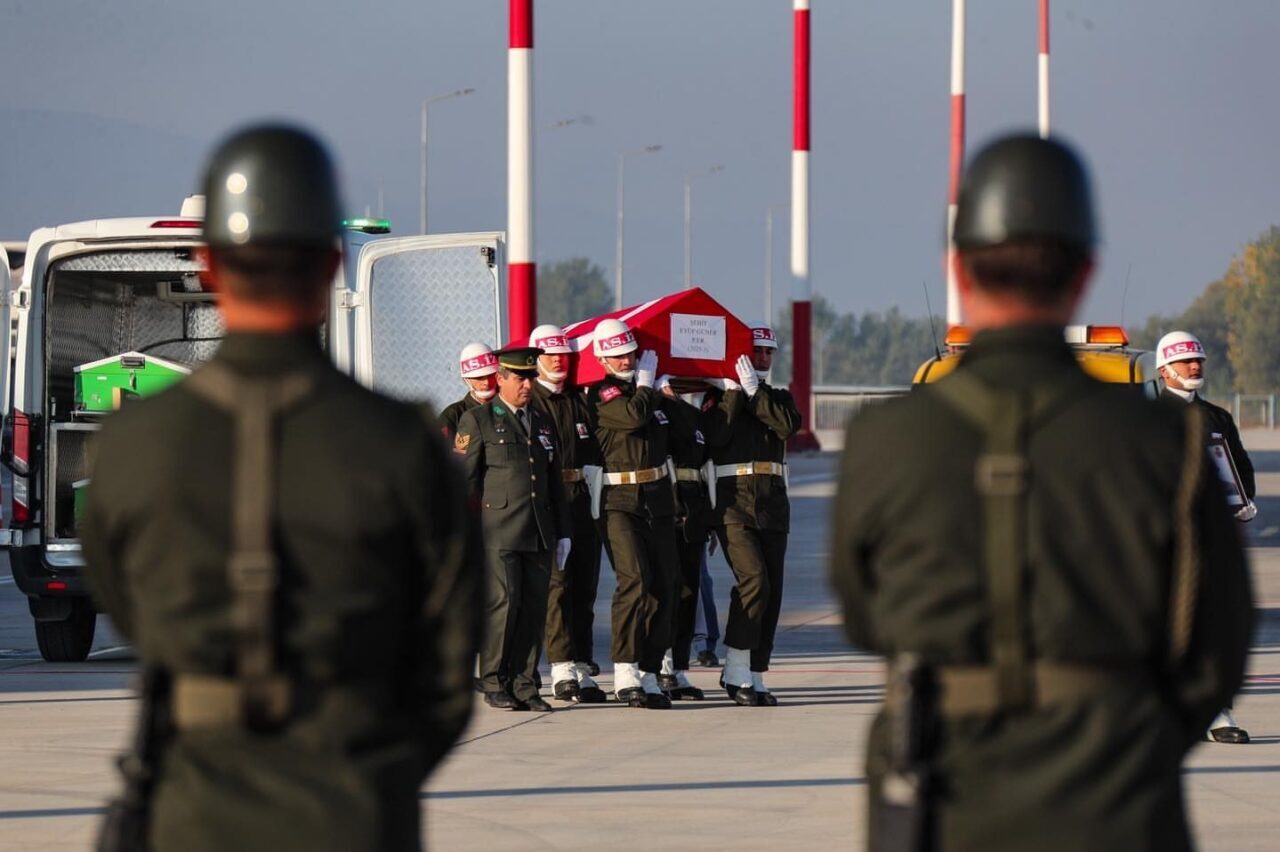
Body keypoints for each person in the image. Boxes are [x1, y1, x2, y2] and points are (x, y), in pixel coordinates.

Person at [830, 133, 1253, 851]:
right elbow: (1217, 642)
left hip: (942, 797)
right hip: (1116, 797)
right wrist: (1133, 736)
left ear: (957, 268)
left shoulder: (884, 439)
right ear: (1085, 271)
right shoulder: (1165, 442)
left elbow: (867, 617)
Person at [81, 124, 483, 852]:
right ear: (333, 263)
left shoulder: (133, 447)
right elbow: (450, 669)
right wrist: (370, 772)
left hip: (191, 814)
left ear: (208, 265)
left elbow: (131, 611)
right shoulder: (403, 448)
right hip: (356, 813)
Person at [456, 346, 571, 713]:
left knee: (534, 609)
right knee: (504, 605)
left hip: (538, 529)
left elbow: (554, 482)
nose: (527, 385)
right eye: (520, 378)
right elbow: (465, 482)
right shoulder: (478, 420)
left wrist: (563, 531)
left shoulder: (542, 421)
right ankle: (493, 680)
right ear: (501, 378)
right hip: (498, 531)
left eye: (531, 378)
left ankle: (525, 683)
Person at [1157, 329, 1256, 744]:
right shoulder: (1147, 419)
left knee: (1212, 625)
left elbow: (1239, 467)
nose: (1195, 366)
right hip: (1162, 540)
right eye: (1185, 361)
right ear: (1165, 370)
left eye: (1198, 359)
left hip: (1211, 539)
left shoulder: (1217, 417)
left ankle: (1217, 713)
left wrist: (1243, 500)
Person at [706, 322, 801, 706]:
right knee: (754, 580)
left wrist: (755, 392)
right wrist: (735, 393)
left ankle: (755, 672)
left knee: (772, 592)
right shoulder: (720, 398)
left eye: (767, 352)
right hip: (734, 505)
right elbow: (715, 437)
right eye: (755, 351)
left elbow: (787, 426)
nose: (761, 358)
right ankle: (736, 666)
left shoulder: (779, 398)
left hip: (772, 505)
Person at [587, 318, 678, 709]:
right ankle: (625, 669)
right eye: (618, 356)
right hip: (619, 501)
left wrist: (667, 394)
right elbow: (632, 417)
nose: (626, 360)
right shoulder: (602, 393)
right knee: (635, 580)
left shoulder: (650, 391)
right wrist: (646, 385)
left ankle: (650, 670)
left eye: (630, 353)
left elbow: (684, 434)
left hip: (658, 498)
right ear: (603, 359)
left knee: (666, 587)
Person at [527, 323, 607, 703]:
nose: (558, 361)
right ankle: (561, 667)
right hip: (549, 500)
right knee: (556, 586)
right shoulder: (530, 401)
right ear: (536, 359)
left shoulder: (579, 400)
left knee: (585, 586)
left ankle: (583, 664)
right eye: (550, 355)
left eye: (563, 354)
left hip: (583, 498)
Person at [657, 377, 716, 699]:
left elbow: (704, 469)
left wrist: (708, 518)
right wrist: (660, 396)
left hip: (692, 512)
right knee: (667, 591)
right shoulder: (653, 410)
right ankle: (660, 666)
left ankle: (678, 667)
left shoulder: (694, 416)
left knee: (688, 594)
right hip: (665, 511)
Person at [440, 342, 499, 441]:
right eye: (479, 377)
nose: (487, 382)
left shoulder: (510, 406)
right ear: (467, 380)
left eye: (491, 375)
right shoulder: (453, 415)